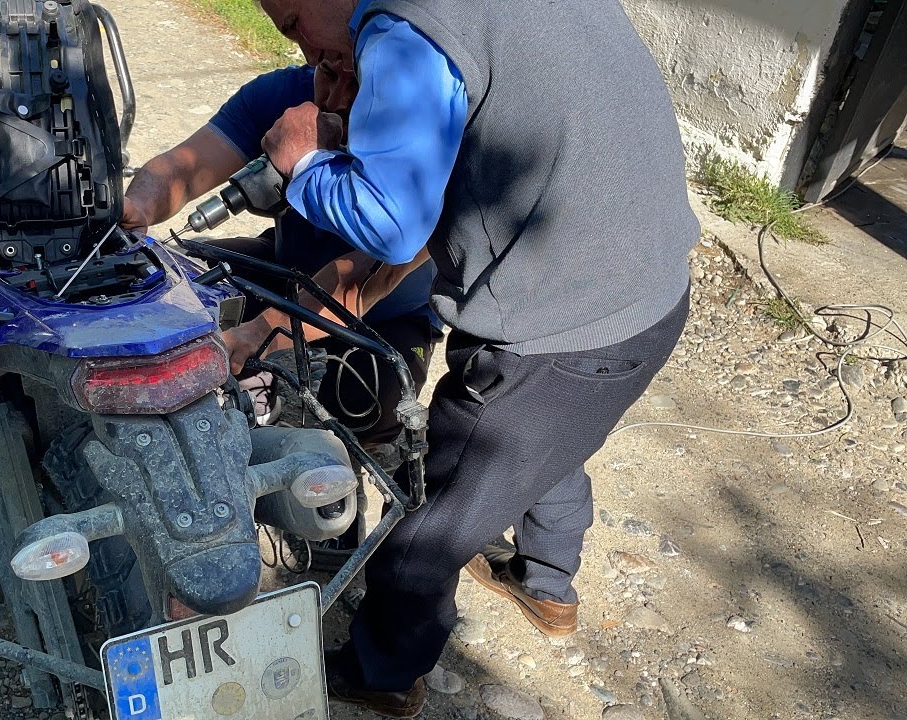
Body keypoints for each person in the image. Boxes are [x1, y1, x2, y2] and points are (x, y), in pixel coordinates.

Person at [222, 0, 700, 716]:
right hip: (644, 299)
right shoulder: (495, 37)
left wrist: (306, 163)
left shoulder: (404, 28)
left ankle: (383, 674)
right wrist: (261, 331)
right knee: (548, 437)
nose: (310, 61)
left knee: (431, 527)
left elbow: (390, 225)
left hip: (555, 336)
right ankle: (545, 584)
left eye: (294, 25)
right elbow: (378, 267)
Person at [122, 60, 440, 455]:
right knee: (174, 283)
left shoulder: (427, 136)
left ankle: (351, 463)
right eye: (328, 73)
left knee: (363, 415)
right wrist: (135, 208)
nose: (335, 99)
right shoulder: (283, 95)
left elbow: (361, 282)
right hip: (287, 267)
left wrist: (260, 334)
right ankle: (255, 395)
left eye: (356, 82)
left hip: (388, 313)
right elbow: (185, 166)